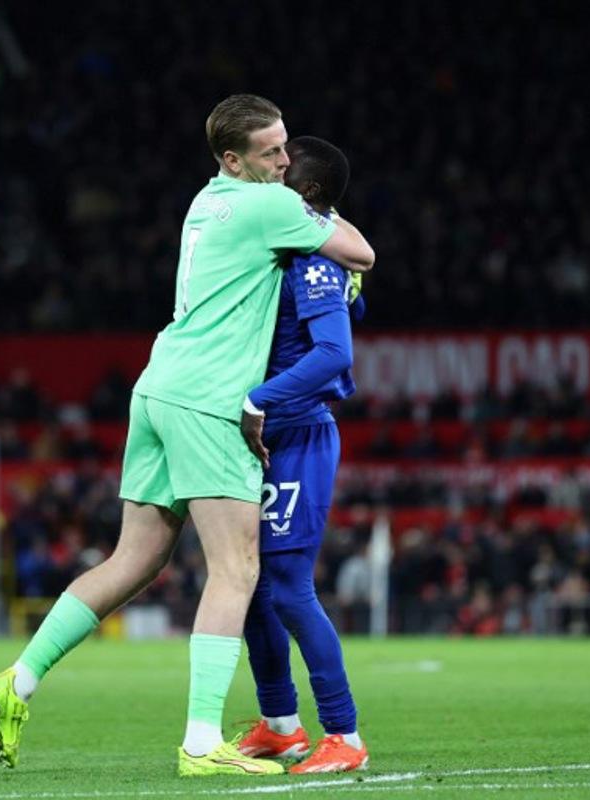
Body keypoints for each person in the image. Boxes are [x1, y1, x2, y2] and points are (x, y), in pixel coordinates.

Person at [0, 94, 375, 776]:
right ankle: (199, 742)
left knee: (132, 562)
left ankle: (18, 678)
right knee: (237, 570)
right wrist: (317, 203)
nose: (282, 161)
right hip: (211, 398)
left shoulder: (206, 199)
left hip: (157, 386)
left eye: (286, 150)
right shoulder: (275, 204)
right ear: (233, 158)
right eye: (271, 151)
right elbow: (360, 252)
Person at [235, 136, 369, 773]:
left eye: (284, 172)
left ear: (306, 196)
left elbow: (335, 355)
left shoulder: (314, 262)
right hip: (264, 439)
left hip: (297, 434)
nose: (273, 176)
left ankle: (343, 734)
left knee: (287, 589)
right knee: (252, 590)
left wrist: (259, 397)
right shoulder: (293, 254)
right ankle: (280, 725)